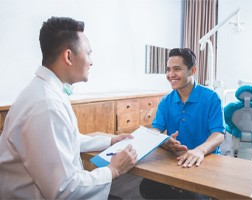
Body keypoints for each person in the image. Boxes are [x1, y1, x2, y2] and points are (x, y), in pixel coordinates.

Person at [0, 17, 137, 199]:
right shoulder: (46, 105)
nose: (91, 62)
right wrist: (113, 169)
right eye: (88, 53)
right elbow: (64, 190)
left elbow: (65, 140)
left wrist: (109, 141)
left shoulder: (45, 91)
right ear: (69, 56)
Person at [139, 48, 226, 199]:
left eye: (177, 69)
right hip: (175, 159)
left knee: (194, 196)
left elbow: (218, 134)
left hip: (205, 161)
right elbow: (155, 129)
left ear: (192, 70)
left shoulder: (212, 98)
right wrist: (163, 141)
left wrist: (199, 150)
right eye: (168, 69)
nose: (170, 74)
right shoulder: (166, 101)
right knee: (147, 187)